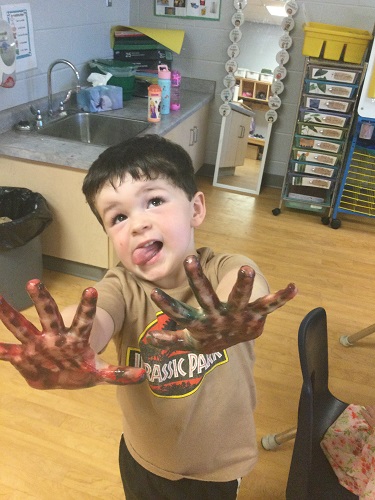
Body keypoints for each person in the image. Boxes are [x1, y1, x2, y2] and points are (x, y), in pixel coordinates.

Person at [0, 135, 297, 499]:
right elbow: (94, 317)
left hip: (216, 466)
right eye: (118, 216)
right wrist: (65, 344)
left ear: (196, 208)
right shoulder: (121, 286)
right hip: (142, 457)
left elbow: (245, 281)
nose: (137, 223)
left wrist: (225, 314)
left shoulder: (224, 269)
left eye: (154, 201)